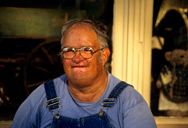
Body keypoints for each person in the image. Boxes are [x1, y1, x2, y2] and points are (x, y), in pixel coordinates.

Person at [10, 19, 157, 128]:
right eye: (68, 51)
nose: (77, 58)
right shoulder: (43, 96)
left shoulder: (128, 101)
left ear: (104, 56)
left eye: (86, 50)